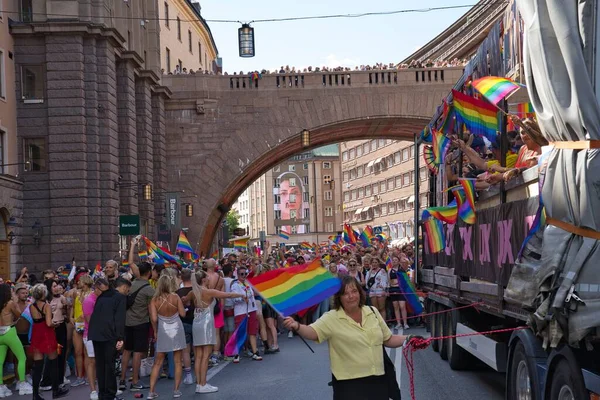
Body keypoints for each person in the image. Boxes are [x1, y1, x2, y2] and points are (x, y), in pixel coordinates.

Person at [283, 275, 418, 400]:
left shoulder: (372, 311)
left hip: (378, 381)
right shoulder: (332, 317)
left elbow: (388, 339)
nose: (351, 296)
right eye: (345, 293)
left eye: (354, 291)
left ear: (360, 293)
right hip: (349, 386)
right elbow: (313, 332)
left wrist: (409, 338)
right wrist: (297, 326)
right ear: (339, 298)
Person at [184, 270, 243, 393]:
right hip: (206, 324)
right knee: (206, 355)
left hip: (196, 322)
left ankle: (199, 383)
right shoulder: (209, 292)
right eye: (207, 277)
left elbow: (184, 300)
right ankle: (203, 384)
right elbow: (228, 295)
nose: (210, 278)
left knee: (199, 355)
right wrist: (242, 295)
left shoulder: (193, 292)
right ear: (204, 280)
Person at [147, 274, 187, 399]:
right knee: (177, 361)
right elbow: (183, 314)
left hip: (163, 329)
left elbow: (153, 318)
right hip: (176, 328)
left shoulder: (154, 300)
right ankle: (176, 390)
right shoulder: (175, 297)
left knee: (158, 362)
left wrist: (155, 331)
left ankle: (151, 391)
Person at [29, 283, 69, 400]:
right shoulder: (46, 305)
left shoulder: (32, 306)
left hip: (36, 333)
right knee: (54, 362)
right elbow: (48, 323)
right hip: (47, 334)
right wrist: (55, 324)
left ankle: (35, 394)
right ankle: (55, 390)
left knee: (38, 366)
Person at [88, 277, 126, 400]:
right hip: (109, 334)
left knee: (100, 365)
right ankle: (109, 394)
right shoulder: (119, 298)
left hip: (96, 334)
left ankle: (103, 393)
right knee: (109, 364)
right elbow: (119, 319)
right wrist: (120, 337)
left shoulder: (101, 298)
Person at [120, 261, 154, 392]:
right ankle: (134, 381)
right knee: (138, 353)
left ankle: (122, 380)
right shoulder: (149, 289)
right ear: (149, 272)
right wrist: (155, 328)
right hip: (141, 323)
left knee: (127, 351)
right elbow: (151, 310)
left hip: (127, 322)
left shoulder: (130, 285)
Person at [0, 284, 32, 396]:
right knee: (22, 357)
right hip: (10, 332)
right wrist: (14, 300)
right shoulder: (10, 303)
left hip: (0, 333)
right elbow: (19, 314)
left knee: (0, 361)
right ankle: (22, 383)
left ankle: (1, 387)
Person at [231, 266, 262, 363]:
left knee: (252, 332)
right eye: (241, 274)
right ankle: (236, 354)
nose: (244, 276)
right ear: (238, 275)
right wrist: (242, 298)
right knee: (240, 332)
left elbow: (253, 296)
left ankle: (255, 352)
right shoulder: (235, 285)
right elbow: (234, 298)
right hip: (241, 311)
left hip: (251, 310)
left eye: (245, 274)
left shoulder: (248, 283)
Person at [175, 269, 195, 385]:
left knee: (186, 351)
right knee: (198, 349)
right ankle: (200, 373)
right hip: (197, 321)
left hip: (184, 322)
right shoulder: (197, 291)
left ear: (181, 278)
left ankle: (189, 376)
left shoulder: (178, 292)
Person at [388, 256, 409, 330]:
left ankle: (405, 323)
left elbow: (405, 280)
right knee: (395, 307)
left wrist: (399, 284)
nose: (394, 261)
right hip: (393, 289)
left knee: (402, 306)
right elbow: (389, 280)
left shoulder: (402, 270)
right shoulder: (390, 270)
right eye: (393, 260)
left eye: (396, 260)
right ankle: (399, 323)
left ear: (398, 261)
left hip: (401, 290)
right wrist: (391, 285)